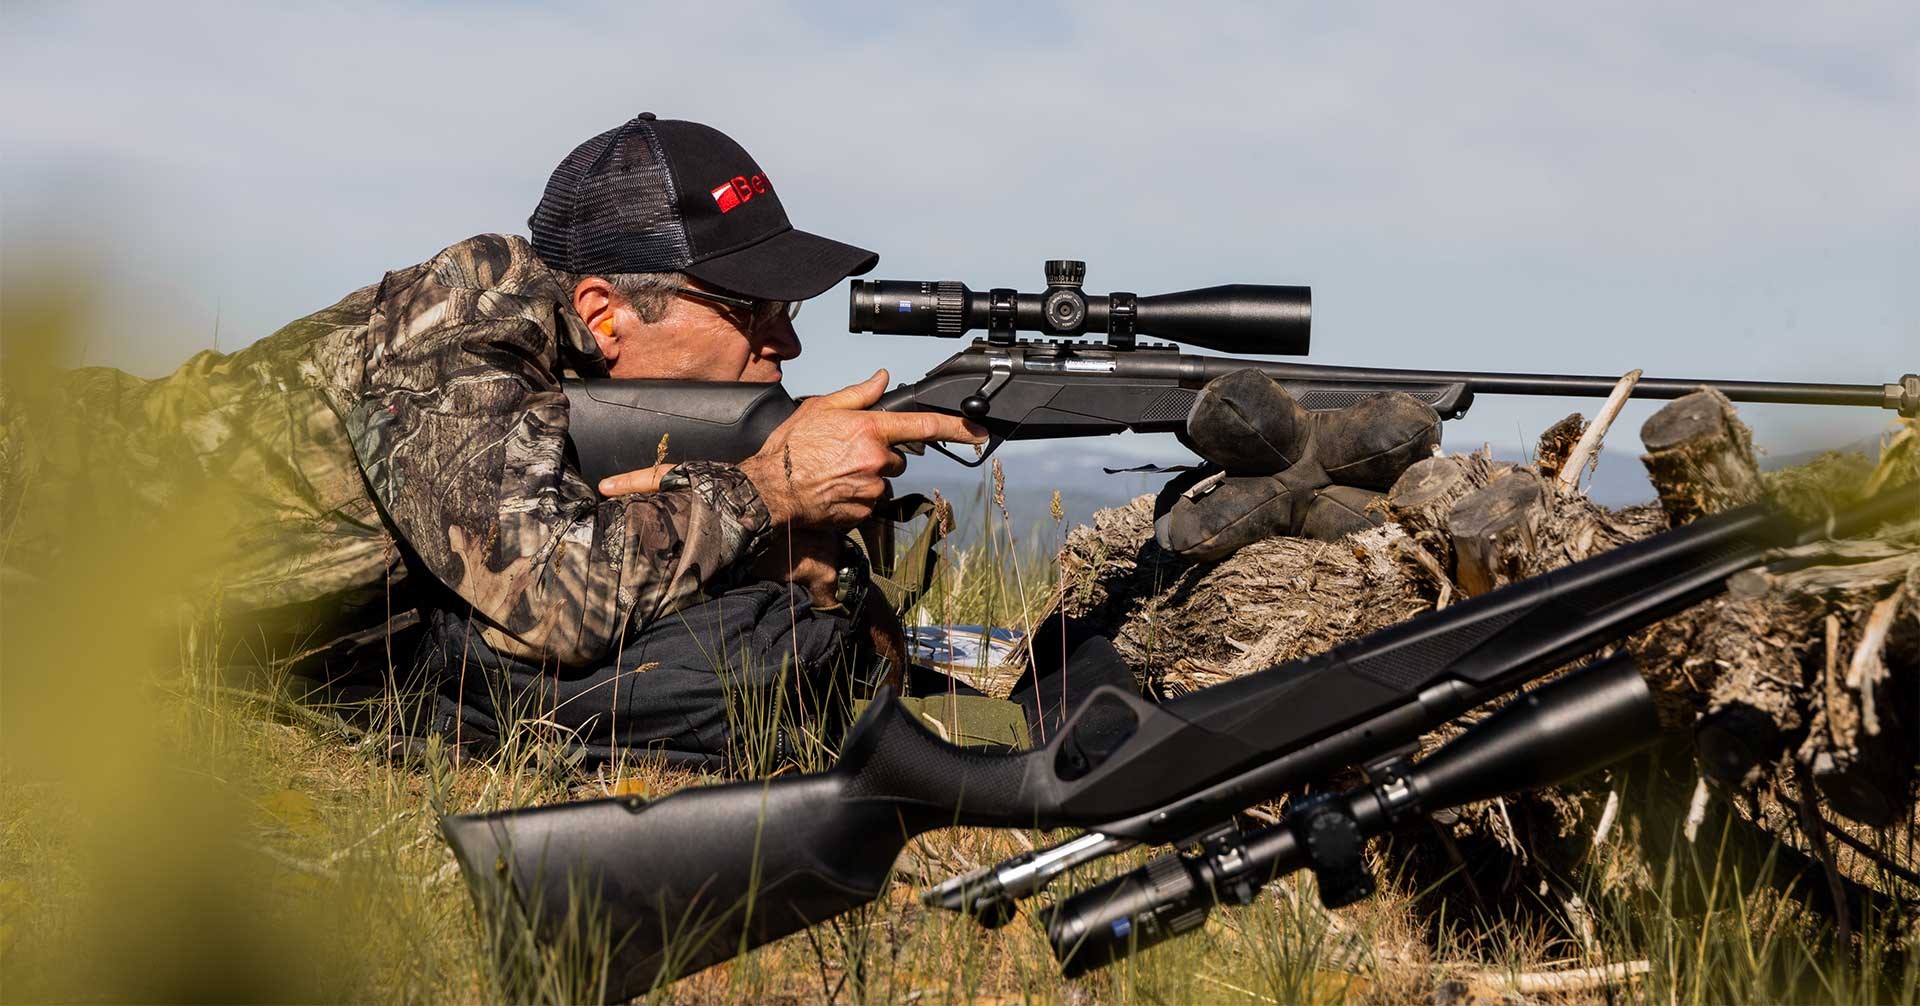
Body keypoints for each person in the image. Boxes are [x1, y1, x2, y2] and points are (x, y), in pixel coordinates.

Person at [1, 112, 1132, 768]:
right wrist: (768, 487)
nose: (784, 343)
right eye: (749, 309)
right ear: (603, 311)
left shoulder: (559, 366)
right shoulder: (454, 340)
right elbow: (557, 598)